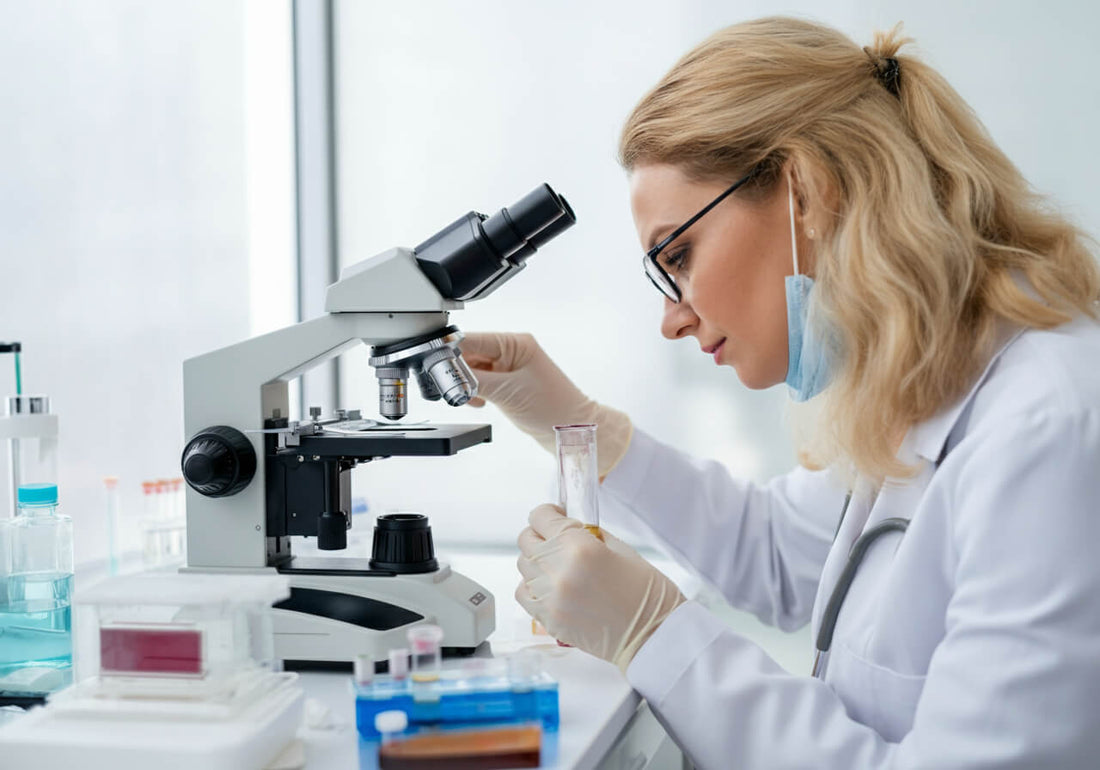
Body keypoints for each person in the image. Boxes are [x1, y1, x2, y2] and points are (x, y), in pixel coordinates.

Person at [461, 17, 1100, 769]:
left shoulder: (1046, 427)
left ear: (806, 191)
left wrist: (653, 633)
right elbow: (775, 551)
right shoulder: (931, 379)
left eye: (680, 256)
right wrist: (575, 421)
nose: (672, 318)